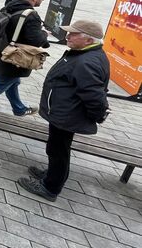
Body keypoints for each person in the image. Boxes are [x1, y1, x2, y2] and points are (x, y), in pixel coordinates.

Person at [17, 20, 109, 202]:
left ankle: (50, 187)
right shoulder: (84, 53)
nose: (68, 36)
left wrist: (98, 115)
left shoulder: (87, 62)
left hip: (68, 116)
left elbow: (94, 95)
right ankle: (52, 174)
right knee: (56, 148)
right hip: (64, 113)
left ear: (89, 40)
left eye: (74, 34)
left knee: (58, 150)